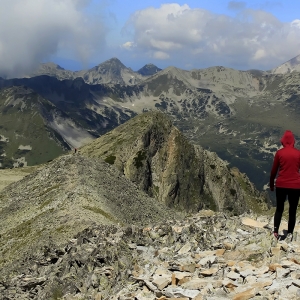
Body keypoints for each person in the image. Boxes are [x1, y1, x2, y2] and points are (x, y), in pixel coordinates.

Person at [270, 130, 300, 242]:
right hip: (296, 186)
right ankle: (290, 233)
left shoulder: (279, 153)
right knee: (292, 210)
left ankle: (276, 232)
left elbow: (273, 171)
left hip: (281, 184)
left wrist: (272, 184)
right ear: (293, 141)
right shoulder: (298, 153)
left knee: (279, 209)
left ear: (283, 141)